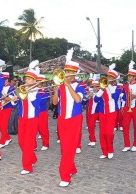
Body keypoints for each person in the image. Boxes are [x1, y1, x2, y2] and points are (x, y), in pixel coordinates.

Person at [52, 50, 85, 187]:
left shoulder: (80, 86)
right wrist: (55, 89)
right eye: (66, 72)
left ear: (75, 74)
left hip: (74, 119)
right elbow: (54, 103)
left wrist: (68, 85)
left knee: (69, 148)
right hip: (62, 119)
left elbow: (78, 100)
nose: (67, 75)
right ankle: (71, 168)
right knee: (64, 148)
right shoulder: (60, 86)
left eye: (70, 72)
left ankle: (65, 176)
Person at [12, 60, 42, 175]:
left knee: (29, 143)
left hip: (33, 119)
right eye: (26, 79)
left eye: (29, 79)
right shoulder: (23, 90)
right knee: (21, 142)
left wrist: (29, 94)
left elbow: (36, 106)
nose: (26, 81)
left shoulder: (38, 92)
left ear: (34, 81)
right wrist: (14, 100)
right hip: (22, 118)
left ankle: (28, 166)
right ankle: (32, 158)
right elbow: (18, 104)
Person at [94, 64, 120, 159]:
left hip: (112, 112)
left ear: (114, 79)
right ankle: (104, 152)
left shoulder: (116, 88)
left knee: (109, 133)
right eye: (108, 76)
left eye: (111, 77)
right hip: (102, 112)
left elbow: (115, 97)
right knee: (102, 133)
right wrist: (102, 89)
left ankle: (110, 150)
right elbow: (96, 100)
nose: (108, 78)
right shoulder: (102, 87)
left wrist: (109, 87)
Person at [0, 72, 14, 148]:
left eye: (3, 79)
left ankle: (3, 141)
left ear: (7, 79)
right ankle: (7, 138)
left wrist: (3, 97)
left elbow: (11, 98)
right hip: (1, 107)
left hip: (7, 107)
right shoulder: (0, 86)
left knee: (3, 124)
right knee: (1, 124)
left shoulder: (11, 87)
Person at [36, 74, 50, 151]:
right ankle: (33, 145)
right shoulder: (34, 90)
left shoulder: (46, 91)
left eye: (40, 83)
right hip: (34, 112)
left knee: (43, 128)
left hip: (42, 112)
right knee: (34, 129)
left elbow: (42, 101)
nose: (38, 84)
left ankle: (46, 143)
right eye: (37, 82)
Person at [86, 80, 100, 146]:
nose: (94, 88)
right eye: (93, 87)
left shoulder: (100, 93)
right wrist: (87, 95)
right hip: (89, 111)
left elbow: (98, 101)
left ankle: (93, 140)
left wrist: (93, 96)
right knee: (89, 126)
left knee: (91, 126)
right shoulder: (91, 93)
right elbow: (84, 101)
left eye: (96, 87)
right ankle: (91, 139)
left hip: (95, 112)